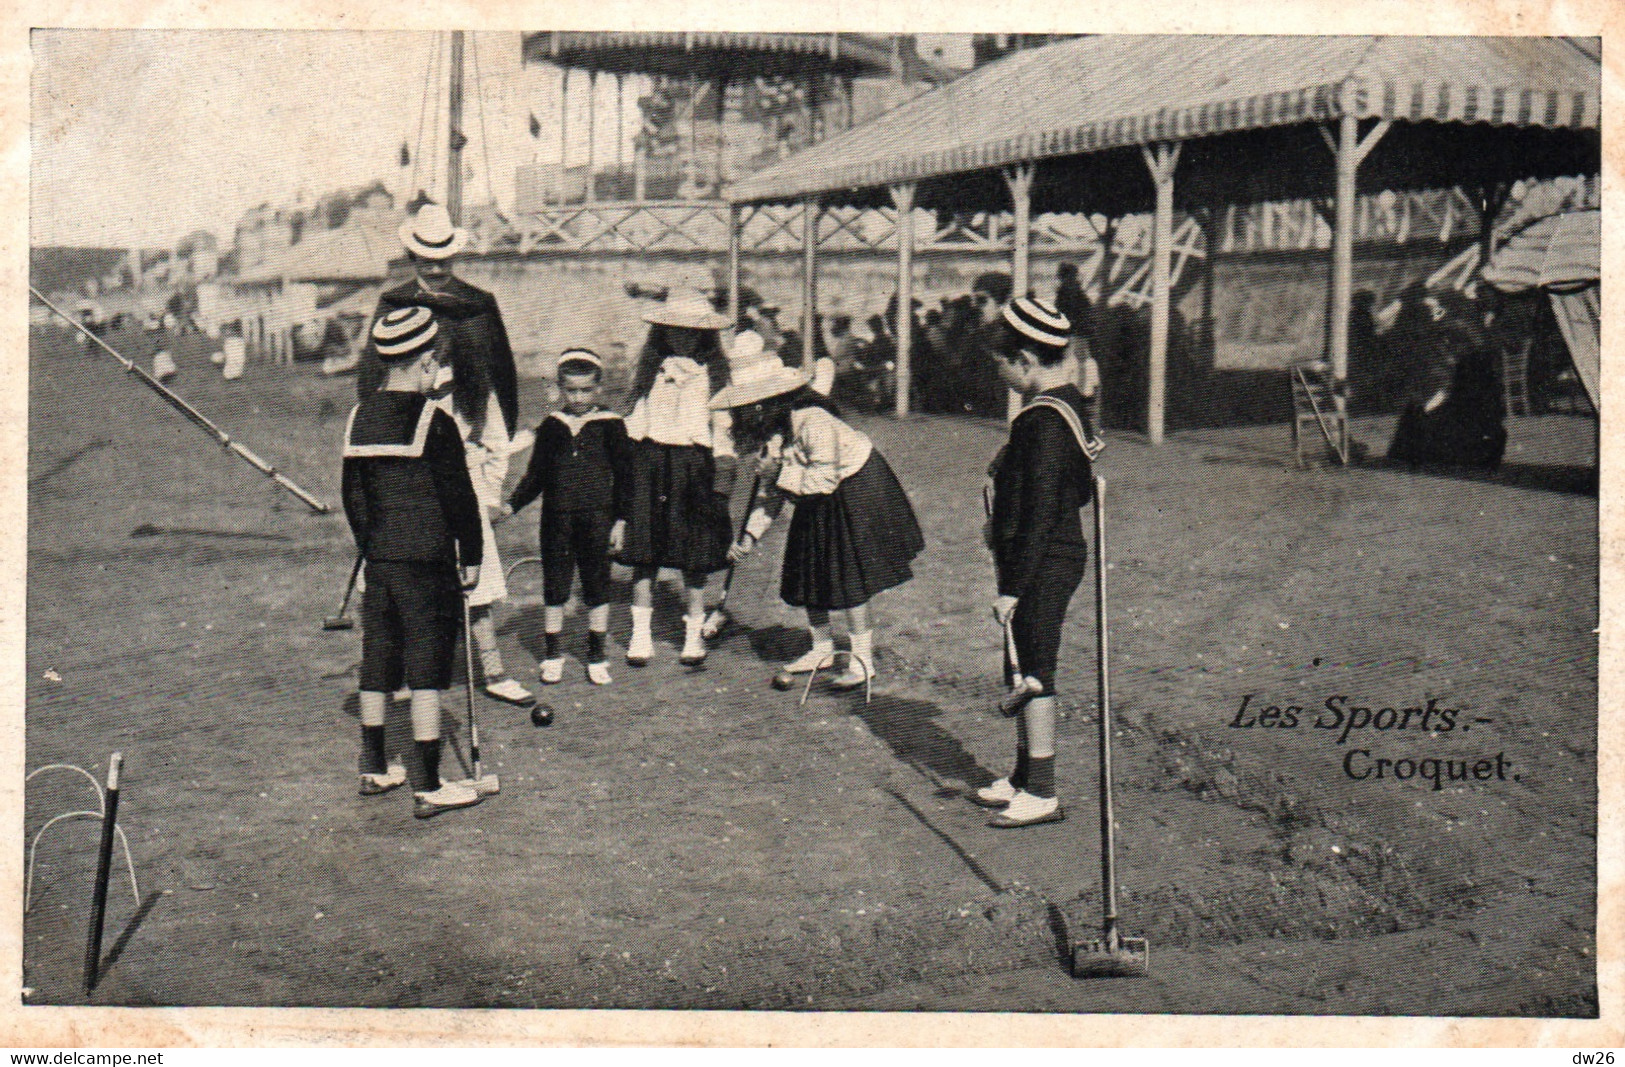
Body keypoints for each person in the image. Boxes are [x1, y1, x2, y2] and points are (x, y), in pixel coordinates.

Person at [360, 202, 533, 708]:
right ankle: (404, 674)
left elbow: (498, 386)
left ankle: (493, 670)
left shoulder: (477, 304)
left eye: (443, 258)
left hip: (465, 476)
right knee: (411, 580)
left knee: (475, 578)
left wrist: (493, 490)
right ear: (411, 253)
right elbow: (372, 383)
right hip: (410, 473)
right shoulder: (391, 302)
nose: (434, 267)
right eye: (424, 257)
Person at [716, 338, 924, 694]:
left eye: (753, 406)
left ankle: (862, 661)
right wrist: (749, 537)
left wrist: (777, 472)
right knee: (808, 565)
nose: (748, 415)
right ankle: (822, 648)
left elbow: (824, 479)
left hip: (855, 487)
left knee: (848, 575)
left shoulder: (813, 421)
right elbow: (773, 497)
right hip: (814, 490)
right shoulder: (775, 435)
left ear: (773, 401)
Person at [341, 306, 485, 819]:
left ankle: (376, 767)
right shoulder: (434, 419)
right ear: (426, 362)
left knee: (378, 660)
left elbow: (352, 495)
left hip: (380, 560)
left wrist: (371, 543)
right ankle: (429, 783)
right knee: (427, 668)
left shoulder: (360, 416)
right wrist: (472, 554)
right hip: (426, 560)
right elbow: (459, 496)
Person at [975, 297, 1096, 829]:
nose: (1001, 375)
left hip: (1044, 560)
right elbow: (1081, 489)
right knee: (1019, 664)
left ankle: (1043, 793)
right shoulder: (1068, 406)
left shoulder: (1043, 421)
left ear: (1025, 360)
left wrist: (1014, 586)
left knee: (1035, 670)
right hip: (1042, 553)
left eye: (1003, 365)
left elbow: (1046, 509)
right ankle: (1024, 773)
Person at [620, 289, 737, 667]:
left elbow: (723, 432)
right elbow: (633, 424)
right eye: (674, 330)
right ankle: (640, 636)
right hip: (651, 463)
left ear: (705, 335)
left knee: (694, 555)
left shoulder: (714, 375)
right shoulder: (650, 371)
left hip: (694, 467)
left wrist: (722, 481)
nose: (682, 337)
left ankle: (692, 636)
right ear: (662, 332)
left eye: (691, 331)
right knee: (645, 552)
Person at [503, 349, 632, 687]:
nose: (578, 398)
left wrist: (620, 521)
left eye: (586, 390)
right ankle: (552, 654)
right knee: (556, 585)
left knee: (596, 585)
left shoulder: (612, 426)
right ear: (560, 388)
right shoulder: (552, 426)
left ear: (599, 389)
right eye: (570, 390)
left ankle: (596, 655)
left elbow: (626, 478)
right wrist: (510, 506)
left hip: (598, 518)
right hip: (557, 519)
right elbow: (536, 475)